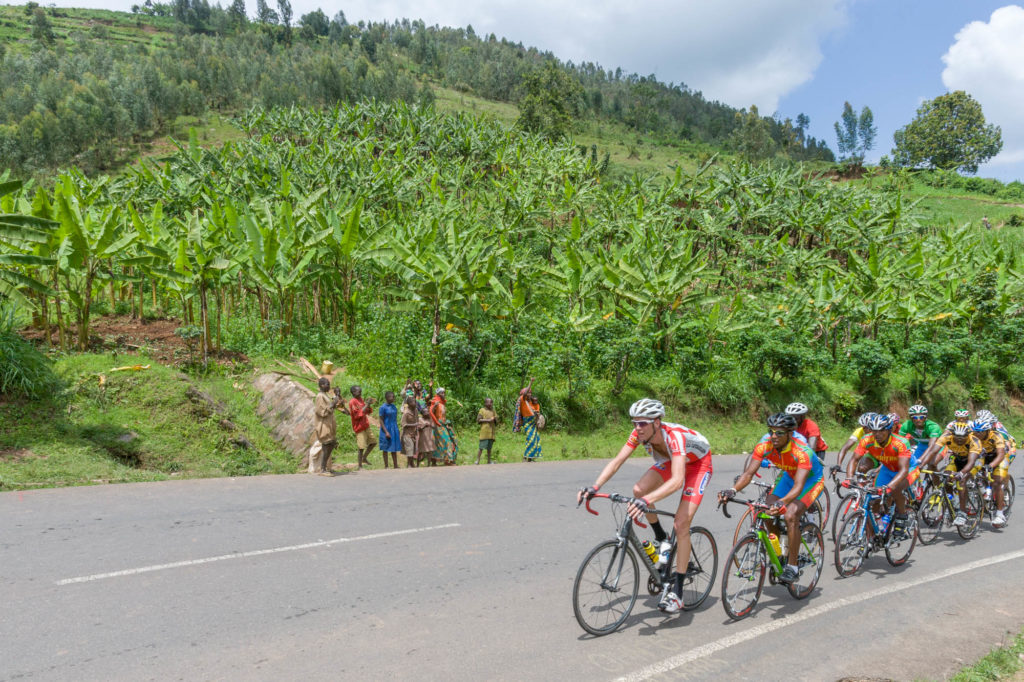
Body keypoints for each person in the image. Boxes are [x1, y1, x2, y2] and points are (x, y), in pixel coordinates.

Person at [578, 398, 712, 614]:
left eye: (642, 423)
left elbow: (678, 481)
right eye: (634, 423)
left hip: (698, 464)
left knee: (681, 524)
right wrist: (594, 486)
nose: (637, 428)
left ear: (656, 422)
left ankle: (677, 593)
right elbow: (617, 462)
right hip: (671, 460)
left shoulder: (674, 437)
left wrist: (646, 501)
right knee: (639, 490)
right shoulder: (638, 434)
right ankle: (661, 538)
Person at [722, 412, 823, 584]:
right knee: (765, 509)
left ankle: (792, 566)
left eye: (779, 433)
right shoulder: (764, 446)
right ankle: (780, 551)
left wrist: (782, 502)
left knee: (791, 515)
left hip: (810, 481)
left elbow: (799, 486)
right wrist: (732, 490)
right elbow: (748, 474)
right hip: (788, 477)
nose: (774, 436)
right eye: (771, 431)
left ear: (790, 434)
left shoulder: (802, 451)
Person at [846, 413, 918, 539]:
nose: (877, 434)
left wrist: (888, 487)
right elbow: (854, 460)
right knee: (874, 498)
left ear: (889, 430)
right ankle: (876, 530)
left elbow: (903, 470)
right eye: (874, 431)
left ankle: (902, 517)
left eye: (881, 431)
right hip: (887, 468)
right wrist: (849, 478)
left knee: (895, 489)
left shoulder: (900, 443)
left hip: (907, 469)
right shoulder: (867, 440)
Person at [921, 422, 981, 527]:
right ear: (952, 434)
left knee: (962, 481)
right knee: (946, 478)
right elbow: (932, 452)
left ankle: (962, 513)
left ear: (968, 435)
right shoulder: (946, 437)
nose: (959, 440)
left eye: (962, 437)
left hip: (974, 462)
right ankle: (951, 502)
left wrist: (961, 473)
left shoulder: (974, 441)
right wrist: (921, 465)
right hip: (957, 459)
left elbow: (971, 463)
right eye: (956, 437)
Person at [971, 418, 1009, 528]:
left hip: (999, 457)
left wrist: (991, 466)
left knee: (997, 482)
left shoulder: (996, 436)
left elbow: (1001, 454)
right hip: (984, 457)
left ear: (987, 431)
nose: (977, 434)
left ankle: (1000, 514)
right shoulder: (972, 436)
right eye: (975, 431)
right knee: (973, 472)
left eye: (980, 432)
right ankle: (984, 492)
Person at [312, 377, 343, 476]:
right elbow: (321, 411)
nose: (328, 386)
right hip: (323, 424)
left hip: (329, 424)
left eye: (329, 384)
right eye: (327, 384)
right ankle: (323, 469)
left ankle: (326, 467)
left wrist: (337, 396)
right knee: (326, 445)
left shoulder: (325, 395)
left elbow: (332, 406)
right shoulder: (319, 396)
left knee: (331, 444)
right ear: (322, 385)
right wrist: (333, 403)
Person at [347, 385, 377, 470]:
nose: (360, 392)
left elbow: (366, 411)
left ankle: (364, 458)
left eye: (360, 391)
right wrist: (366, 404)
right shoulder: (352, 402)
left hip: (365, 425)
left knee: (373, 442)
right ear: (353, 392)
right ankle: (360, 466)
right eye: (358, 391)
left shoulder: (360, 399)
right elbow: (357, 415)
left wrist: (368, 405)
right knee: (361, 447)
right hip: (359, 427)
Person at [430, 387, 458, 465]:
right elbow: (431, 412)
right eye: (442, 393)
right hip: (438, 425)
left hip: (444, 425)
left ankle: (437, 461)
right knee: (447, 442)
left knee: (448, 441)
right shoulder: (436, 402)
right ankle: (449, 460)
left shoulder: (442, 403)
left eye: (444, 393)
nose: (444, 394)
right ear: (438, 394)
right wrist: (436, 422)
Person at [518, 377, 542, 462]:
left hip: (533, 423)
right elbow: (524, 394)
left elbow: (536, 411)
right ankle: (525, 457)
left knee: (536, 439)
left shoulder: (531, 402)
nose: (529, 394)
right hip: (527, 423)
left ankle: (530, 458)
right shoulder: (522, 400)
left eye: (530, 393)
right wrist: (531, 382)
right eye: (528, 393)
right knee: (530, 439)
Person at [378, 391, 400, 469]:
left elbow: (395, 418)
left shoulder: (394, 406)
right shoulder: (383, 407)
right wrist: (386, 431)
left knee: (394, 448)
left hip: (394, 428)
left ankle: (395, 465)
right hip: (386, 428)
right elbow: (381, 420)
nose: (393, 398)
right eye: (392, 397)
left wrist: (396, 429)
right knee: (385, 448)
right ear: (387, 397)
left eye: (394, 396)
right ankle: (386, 466)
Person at [476, 397, 497, 464]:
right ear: (485, 403)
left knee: (489, 448)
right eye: (488, 402)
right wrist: (488, 420)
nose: (490, 404)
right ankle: (477, 460)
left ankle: (489, 460)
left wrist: (495, 419)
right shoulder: (482, 410)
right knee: (481, 447)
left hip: (491, 432)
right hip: (484, 432)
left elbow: (496, 420)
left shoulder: (493, 411)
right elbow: (478, 420)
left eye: (491, 402)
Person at [401, 396, 420, 468]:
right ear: (408, 403)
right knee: (410, 448)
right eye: (412, 402)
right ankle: (409, 464)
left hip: (414, 433)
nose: (414, 403)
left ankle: (411, 463)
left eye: (414, 401)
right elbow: (403, 424)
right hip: (407, 433)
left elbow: (417, 420)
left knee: (413, 449)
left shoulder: (415, 410)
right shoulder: (406, 413)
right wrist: (413, 425)